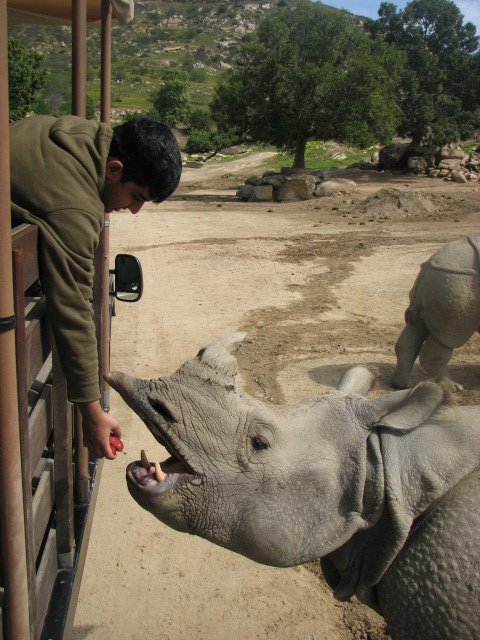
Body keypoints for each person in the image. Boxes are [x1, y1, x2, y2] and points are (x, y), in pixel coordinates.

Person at [10, 115, 182, 459]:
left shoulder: (78, 133)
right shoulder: (76, 207)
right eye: (136, 196)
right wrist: (92, 411)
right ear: (114, 169)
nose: (134, 210)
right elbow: (73, 308)